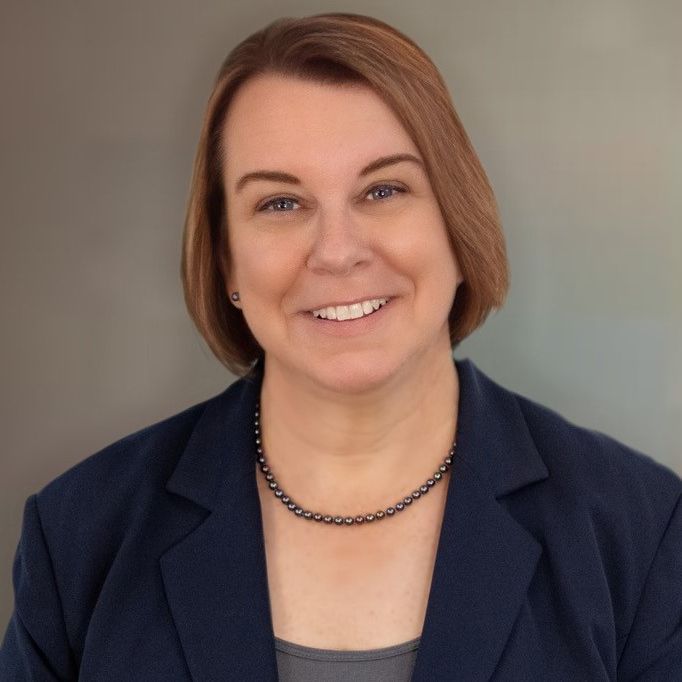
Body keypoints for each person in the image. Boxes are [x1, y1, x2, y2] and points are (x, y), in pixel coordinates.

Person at [1, 11, 681, 681]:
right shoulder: (82, 534)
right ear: (227, 260)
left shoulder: (639, 531)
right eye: (280, 204)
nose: (336, 252)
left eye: (384, 190)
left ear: (458, 224)